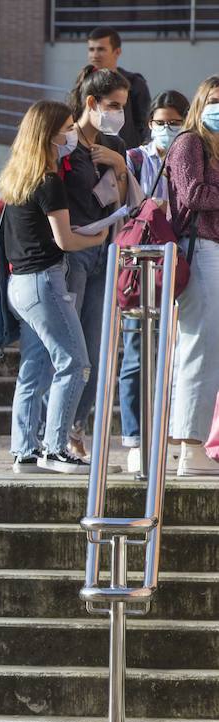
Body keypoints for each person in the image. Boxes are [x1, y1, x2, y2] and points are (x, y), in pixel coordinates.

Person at [0, 100, 109, 474]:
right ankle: (55, 447)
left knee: (35, 367)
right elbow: (65, 241)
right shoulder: (48, 181)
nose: (71, 136)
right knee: (75, 363)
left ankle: (24, 451)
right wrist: (100, 236)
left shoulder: (17, 178)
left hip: (20, 285)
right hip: (45, 281)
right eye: (66, 129)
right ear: (49, 135)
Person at [62, 67, 132, 455]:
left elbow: (124, 203)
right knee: (71, 348)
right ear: (92, 103)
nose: (118, 113)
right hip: (73, 252)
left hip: (106, 252)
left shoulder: (114, 147)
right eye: (113, 106)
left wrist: (118, 166)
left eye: (122, 106)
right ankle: (54, 431)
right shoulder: (66, 142)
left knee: (94, 346)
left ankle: (76, 429)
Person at [120, 91, 189, 473]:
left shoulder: (194, 157)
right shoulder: (134, 159)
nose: (167, 129)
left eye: (174, 122)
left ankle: (173, 434)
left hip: (179, 263)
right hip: (140, 266)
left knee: (178, 356)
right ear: (149, 124)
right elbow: (125, 211)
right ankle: (134, 437)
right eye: (161, 122)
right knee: (134, 354)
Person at [167, 77, 219, 477]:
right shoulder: (189, 142)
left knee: (205, 348)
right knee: (199, 348)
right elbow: (193, 194)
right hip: (199, 249)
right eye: (215, 101)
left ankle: (191, 442)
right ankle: (189, 445)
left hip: (211, 250)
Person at [86, 27, 152, 149]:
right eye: (91, 49)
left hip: (127, 154)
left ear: (117, 52)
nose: (94, 55)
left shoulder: (135, 83)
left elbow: (144, 125)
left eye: (101, 49)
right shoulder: (84, 83)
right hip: (91, 153)